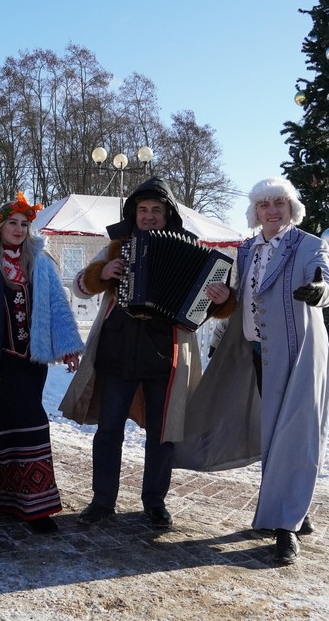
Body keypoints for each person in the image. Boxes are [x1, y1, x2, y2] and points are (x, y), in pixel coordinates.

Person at [60, 176, 226, 529]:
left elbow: (203, 309)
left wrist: (222, 301)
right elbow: (80, 287)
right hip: (117, 350)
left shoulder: (191, 247)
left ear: (167, 215)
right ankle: (103, 500)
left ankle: (154, 501)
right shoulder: (116, 247)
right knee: (109, 430)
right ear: (133, 214)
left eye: (156, 210)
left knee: (162, 433)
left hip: (166, 354)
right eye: (142, 210)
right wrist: (101, 272)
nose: (149, 216)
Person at [200, 176, 329, 565]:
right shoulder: (246, 250)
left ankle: (285, 528)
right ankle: (293, 508)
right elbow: (247, 297)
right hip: (258, 353)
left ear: (291, 207)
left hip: (299, 353)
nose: (272, 211)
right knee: (273, 434)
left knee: (296, 435)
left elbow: (325, 280)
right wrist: (227, 298)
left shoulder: (309, 245)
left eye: (279, 203)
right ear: (255, 211)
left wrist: (320, 292)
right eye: (264, 205)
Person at [0, 192, 83, 533]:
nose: (18, 229)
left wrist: (67, 346)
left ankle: (36, 507)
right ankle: (1, 500)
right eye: (12, 223)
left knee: (32, 421)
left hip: (32, 361)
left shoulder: (40, 263)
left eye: (24, 224)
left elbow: (57, 306)